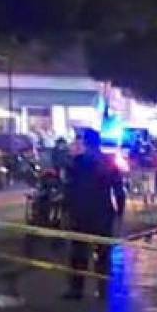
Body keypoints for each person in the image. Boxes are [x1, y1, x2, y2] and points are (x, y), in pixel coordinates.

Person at [62, 128, 126, 300]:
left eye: (79, 141)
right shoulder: (108, 162)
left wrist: (67, 212)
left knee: (79, 254)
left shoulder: (76, 163)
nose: (76, 144)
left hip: (81, 215)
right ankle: (103, 290)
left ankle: (77, 290)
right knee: (103, 255)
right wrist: (119, 213)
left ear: (85, 143)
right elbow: (119, 191)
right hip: (103, 215)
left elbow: (68, 190)